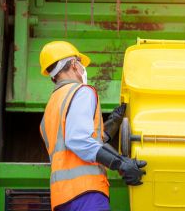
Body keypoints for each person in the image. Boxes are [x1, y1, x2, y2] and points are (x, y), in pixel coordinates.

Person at [39, 41, 147, 211]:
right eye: (81, 63)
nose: (83, 68)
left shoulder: (52, 105)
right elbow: (78, 141)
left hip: (62, 198)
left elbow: (78, 142)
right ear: (74, 64)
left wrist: (112, 124)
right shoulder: (81, 91)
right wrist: (119, 164)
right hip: (87, 193)